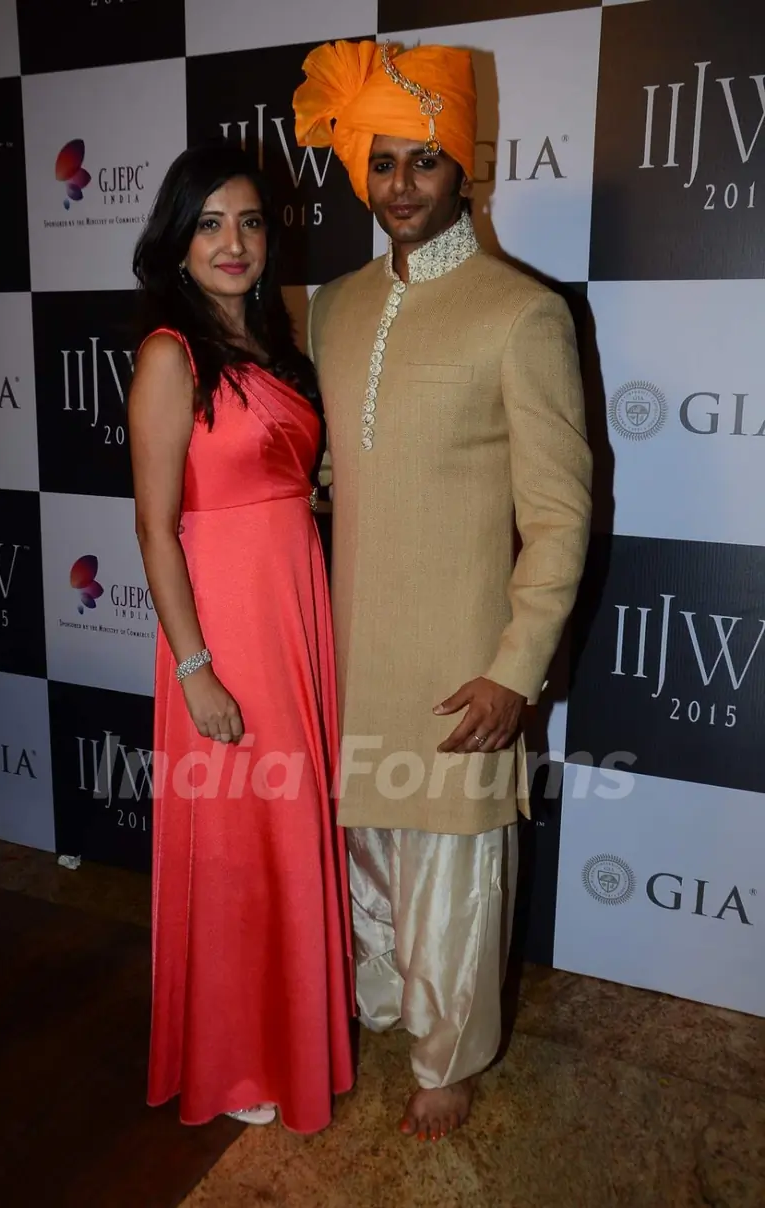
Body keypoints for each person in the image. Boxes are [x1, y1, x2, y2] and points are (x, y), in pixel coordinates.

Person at [293, 41, 592, 1142]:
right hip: (350, 642)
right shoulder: (331, 306)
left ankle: (449, 1051)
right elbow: (331, 469)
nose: (401, 185)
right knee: (367, 840)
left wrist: (517, 668)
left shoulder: (520, 312)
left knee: (456, 863)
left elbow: (558, 514)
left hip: (462, 658)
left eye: (424, 160)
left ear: (466, 166)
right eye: (382, 162)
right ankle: (380, 997)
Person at [128, 143, 355, 1133]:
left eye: (250, 222)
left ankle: (293, 1028)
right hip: (221, 628)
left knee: (287, 828)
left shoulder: (274, 340)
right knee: (234, 840)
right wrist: (195, 669)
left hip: (293, 611)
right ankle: (236, 1057)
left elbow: (282, 481)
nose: (234, 242)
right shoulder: (168, 355)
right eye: (212, 222)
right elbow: (154, 526)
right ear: (179, 240)